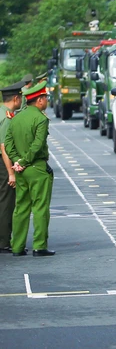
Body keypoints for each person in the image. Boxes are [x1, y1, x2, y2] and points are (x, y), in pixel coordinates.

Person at [5, 81, 55, 256]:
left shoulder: (16, 117)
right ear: (40, 100)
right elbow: (37, 146)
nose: (46, 101)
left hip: (20, 170)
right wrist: (25, 161)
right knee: (40, 207)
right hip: (36, 168)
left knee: (21, 208)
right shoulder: (40, 119)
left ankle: (17, 247)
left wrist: (17, 161)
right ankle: (39, 246)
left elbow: (8, 144)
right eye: (45, 98)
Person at [0, 77, 29, 254]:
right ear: (16, 99)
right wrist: (11, 173)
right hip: (3, 164)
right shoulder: (6, 118)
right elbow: (3, 147)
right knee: (6, 202)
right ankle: (3, 240)